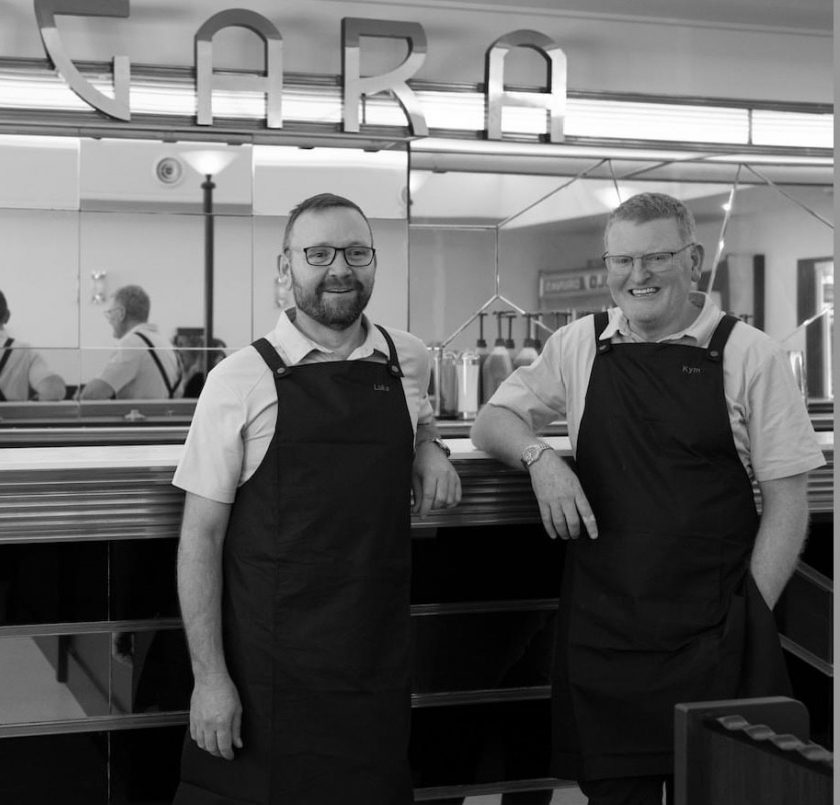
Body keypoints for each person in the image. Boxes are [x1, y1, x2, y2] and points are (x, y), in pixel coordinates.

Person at [470, 192, 825, 805]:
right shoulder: (579, 345)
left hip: (718, 635)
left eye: (656, 258)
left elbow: (789, 502)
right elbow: (492, 421)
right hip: (608, 636)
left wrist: (749, 616)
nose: (638, 277)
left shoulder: (749, 354)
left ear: (691, 259)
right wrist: (541, 459)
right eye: (623, 261)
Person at [173, 192, 462, 804]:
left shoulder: (404, 357)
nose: (341, 269)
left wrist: (430, 446)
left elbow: (419, 418)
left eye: (357, 252)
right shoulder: (239, 379)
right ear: (286, 269)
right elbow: (200, 538)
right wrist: (209, 680)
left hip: (374, 663)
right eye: (320, 253)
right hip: (270, 673)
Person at [78, 285, 180, 400]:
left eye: (110, 313)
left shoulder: (133, 344)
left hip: (141, 416)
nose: (110, 319)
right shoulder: (164, 343)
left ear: (121, 313)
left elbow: (92, 394)